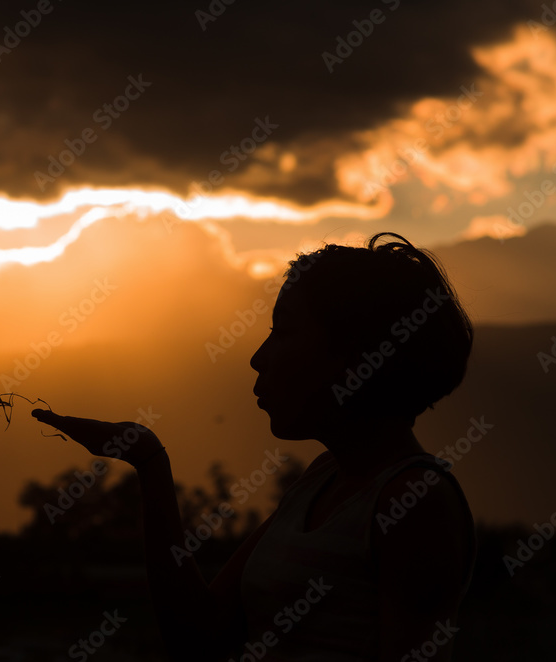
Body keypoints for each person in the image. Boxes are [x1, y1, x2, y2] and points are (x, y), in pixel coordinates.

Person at [32, 232, 476, 661]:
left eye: (282, 333)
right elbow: (199, 638)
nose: (258, 357)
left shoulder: (413, 502)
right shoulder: (322, 478)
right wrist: (147, 460)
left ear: (356, 353)